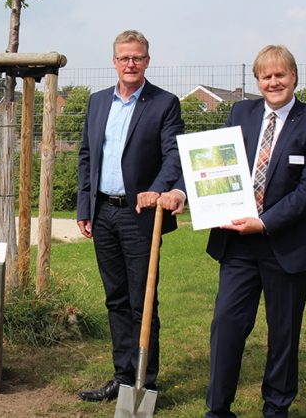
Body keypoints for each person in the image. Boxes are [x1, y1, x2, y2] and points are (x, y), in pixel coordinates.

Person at [161, 45, 306, 417]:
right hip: (238, 242)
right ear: (257, 81)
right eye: (266, 76)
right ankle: (218, 408)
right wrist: (181, 190)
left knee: (283, 333)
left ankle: (276, 407)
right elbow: (214, 164)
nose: (274, 82)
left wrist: (266, 221)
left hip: (285, 246)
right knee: (226, 325)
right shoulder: (242, 112)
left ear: (294, 77)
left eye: (280, 75)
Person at [76, 29, 184, 402]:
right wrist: (84, 206)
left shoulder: (164, 103)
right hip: (103, 211)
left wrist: (157, 189)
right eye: (124, 58)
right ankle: (122, 379)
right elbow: (87, 156)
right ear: (114, 62)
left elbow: (173, 155)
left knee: (143, 301)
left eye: (137, 57)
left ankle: (144, 384)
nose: (130, 64)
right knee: (116, 300)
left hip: (141, 215)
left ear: (147, 61)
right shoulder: (97, 102)